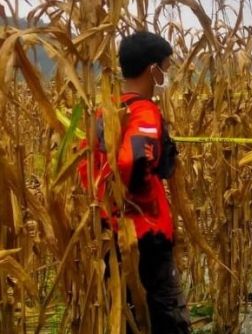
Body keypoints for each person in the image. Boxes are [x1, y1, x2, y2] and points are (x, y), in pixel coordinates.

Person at [78, 31, 190, 333]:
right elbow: (134, 159)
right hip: (144, 237)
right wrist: (136, 200)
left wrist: (108, 206)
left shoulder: (105, 111)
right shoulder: (143, 112)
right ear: (151, 69)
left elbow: (85, 165)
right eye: (164, 69)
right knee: (166, 317)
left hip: (110, 234)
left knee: (127, 317)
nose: (165, 76)